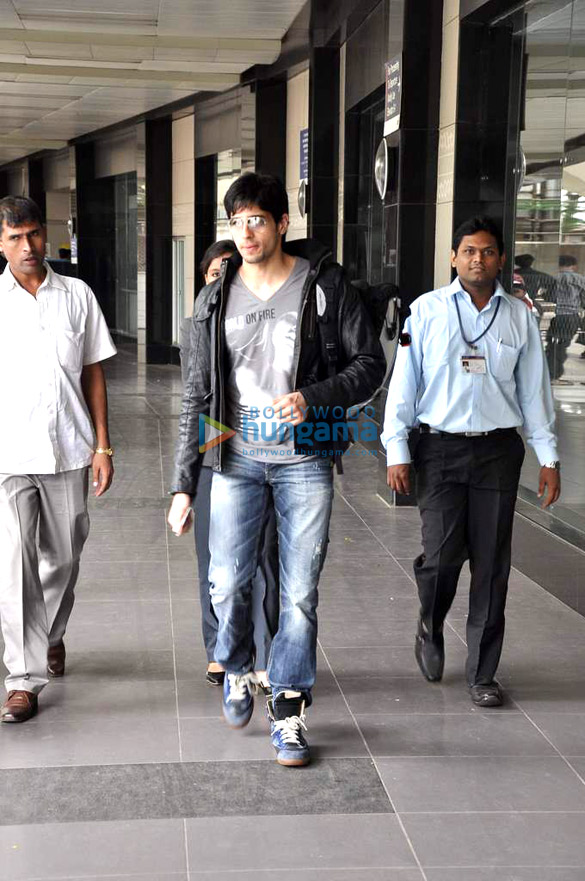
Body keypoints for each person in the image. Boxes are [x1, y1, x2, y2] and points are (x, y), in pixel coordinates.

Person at [169, 172, 385, 766]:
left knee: (298, 591)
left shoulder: (324, 285)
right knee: (227, 582)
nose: (247, 232)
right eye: (237, 222)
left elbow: (371, 364)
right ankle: (237, 666)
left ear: (282, 223)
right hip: (234, 458)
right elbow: (199, 396)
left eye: (258, 220)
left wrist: (313, 398)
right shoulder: (215, 297)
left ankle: (288, 708)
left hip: (305, 455)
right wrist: (185, 483)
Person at [382, 216, 560, 708]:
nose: (477, 259)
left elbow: (535, 393)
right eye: (468, 251)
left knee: (492, 566)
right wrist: (396, 450)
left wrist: (549, 457)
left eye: (487, 251)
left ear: (500, 259)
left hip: (498, 453)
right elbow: (404, 386)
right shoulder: (427, 312)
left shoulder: (520, 318)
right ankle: (429, 623)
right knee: (441, 558)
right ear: (454, 258)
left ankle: (483, 672)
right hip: (438, 449)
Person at [0, 195, 116, 723]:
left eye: (33, 234)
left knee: (65, 558)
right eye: (15, 237)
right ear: (0, 243)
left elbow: (94, 371)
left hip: (69, 449)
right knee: (15, 563)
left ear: (45, 235)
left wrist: (102, 444)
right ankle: (23, 676)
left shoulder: (77, 295)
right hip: (10, 454)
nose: (28, 246)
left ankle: (50, 634)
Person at [178, 239, 279, 689]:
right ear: (204, 278)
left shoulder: (265, 322)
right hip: (215, 449)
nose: (222, 278)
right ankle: (219, 646)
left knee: (264, 560)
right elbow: (197, 400)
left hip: (270, 450)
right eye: (215, 270)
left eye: (229, 271)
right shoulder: (198, 323)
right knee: (215, 560)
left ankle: (263, 650)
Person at [546, 255, 585, 381]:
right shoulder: (580, 279)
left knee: (554, 345)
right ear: (574, 266)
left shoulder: (554, 278)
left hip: (557, 315)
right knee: (562, 344)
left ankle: (552, 372)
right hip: (572, 316)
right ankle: (554, 373)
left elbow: (549, 297)